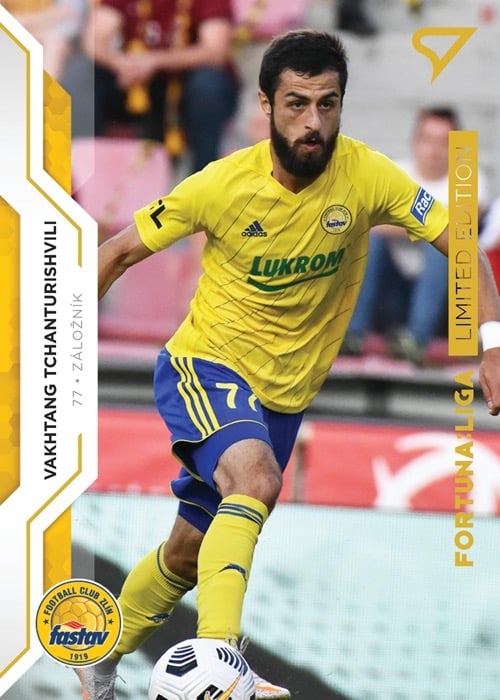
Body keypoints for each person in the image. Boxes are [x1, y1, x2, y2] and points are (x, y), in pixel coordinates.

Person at [76, 29, 500, 700]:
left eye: (327, 104)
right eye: (297, 104)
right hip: (206, 367)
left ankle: (98, 660)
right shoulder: (221, 185)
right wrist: (53, 351)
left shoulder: (369, 177)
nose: (312, 122)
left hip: (282, 396)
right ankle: (220, 666)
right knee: (256, 478)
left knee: (187, 552)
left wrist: (493, 343)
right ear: (267, 104)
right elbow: (117, 252)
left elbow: (463, 243)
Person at [343, 106, 490, 365]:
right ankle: (351, 335)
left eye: (444, 142)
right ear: (415, 142)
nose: (434, 150)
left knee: (443, 245)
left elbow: (462, 228)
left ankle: (416, 340)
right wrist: (433, 223)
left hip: (447, 305)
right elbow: (364, 223)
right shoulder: (395, 173)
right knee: (372, 242)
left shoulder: (470, 179)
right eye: (428, 140)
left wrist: (401, 220)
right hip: (393, 294)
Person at [80, 0, 239, 173]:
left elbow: (215, 51)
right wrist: (120, 63)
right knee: (85, 74)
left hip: (188, 87)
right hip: (138, 85)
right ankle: (85, 174)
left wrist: (154, 61)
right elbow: (94, 40)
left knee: (207, 86)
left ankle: (203, 175)